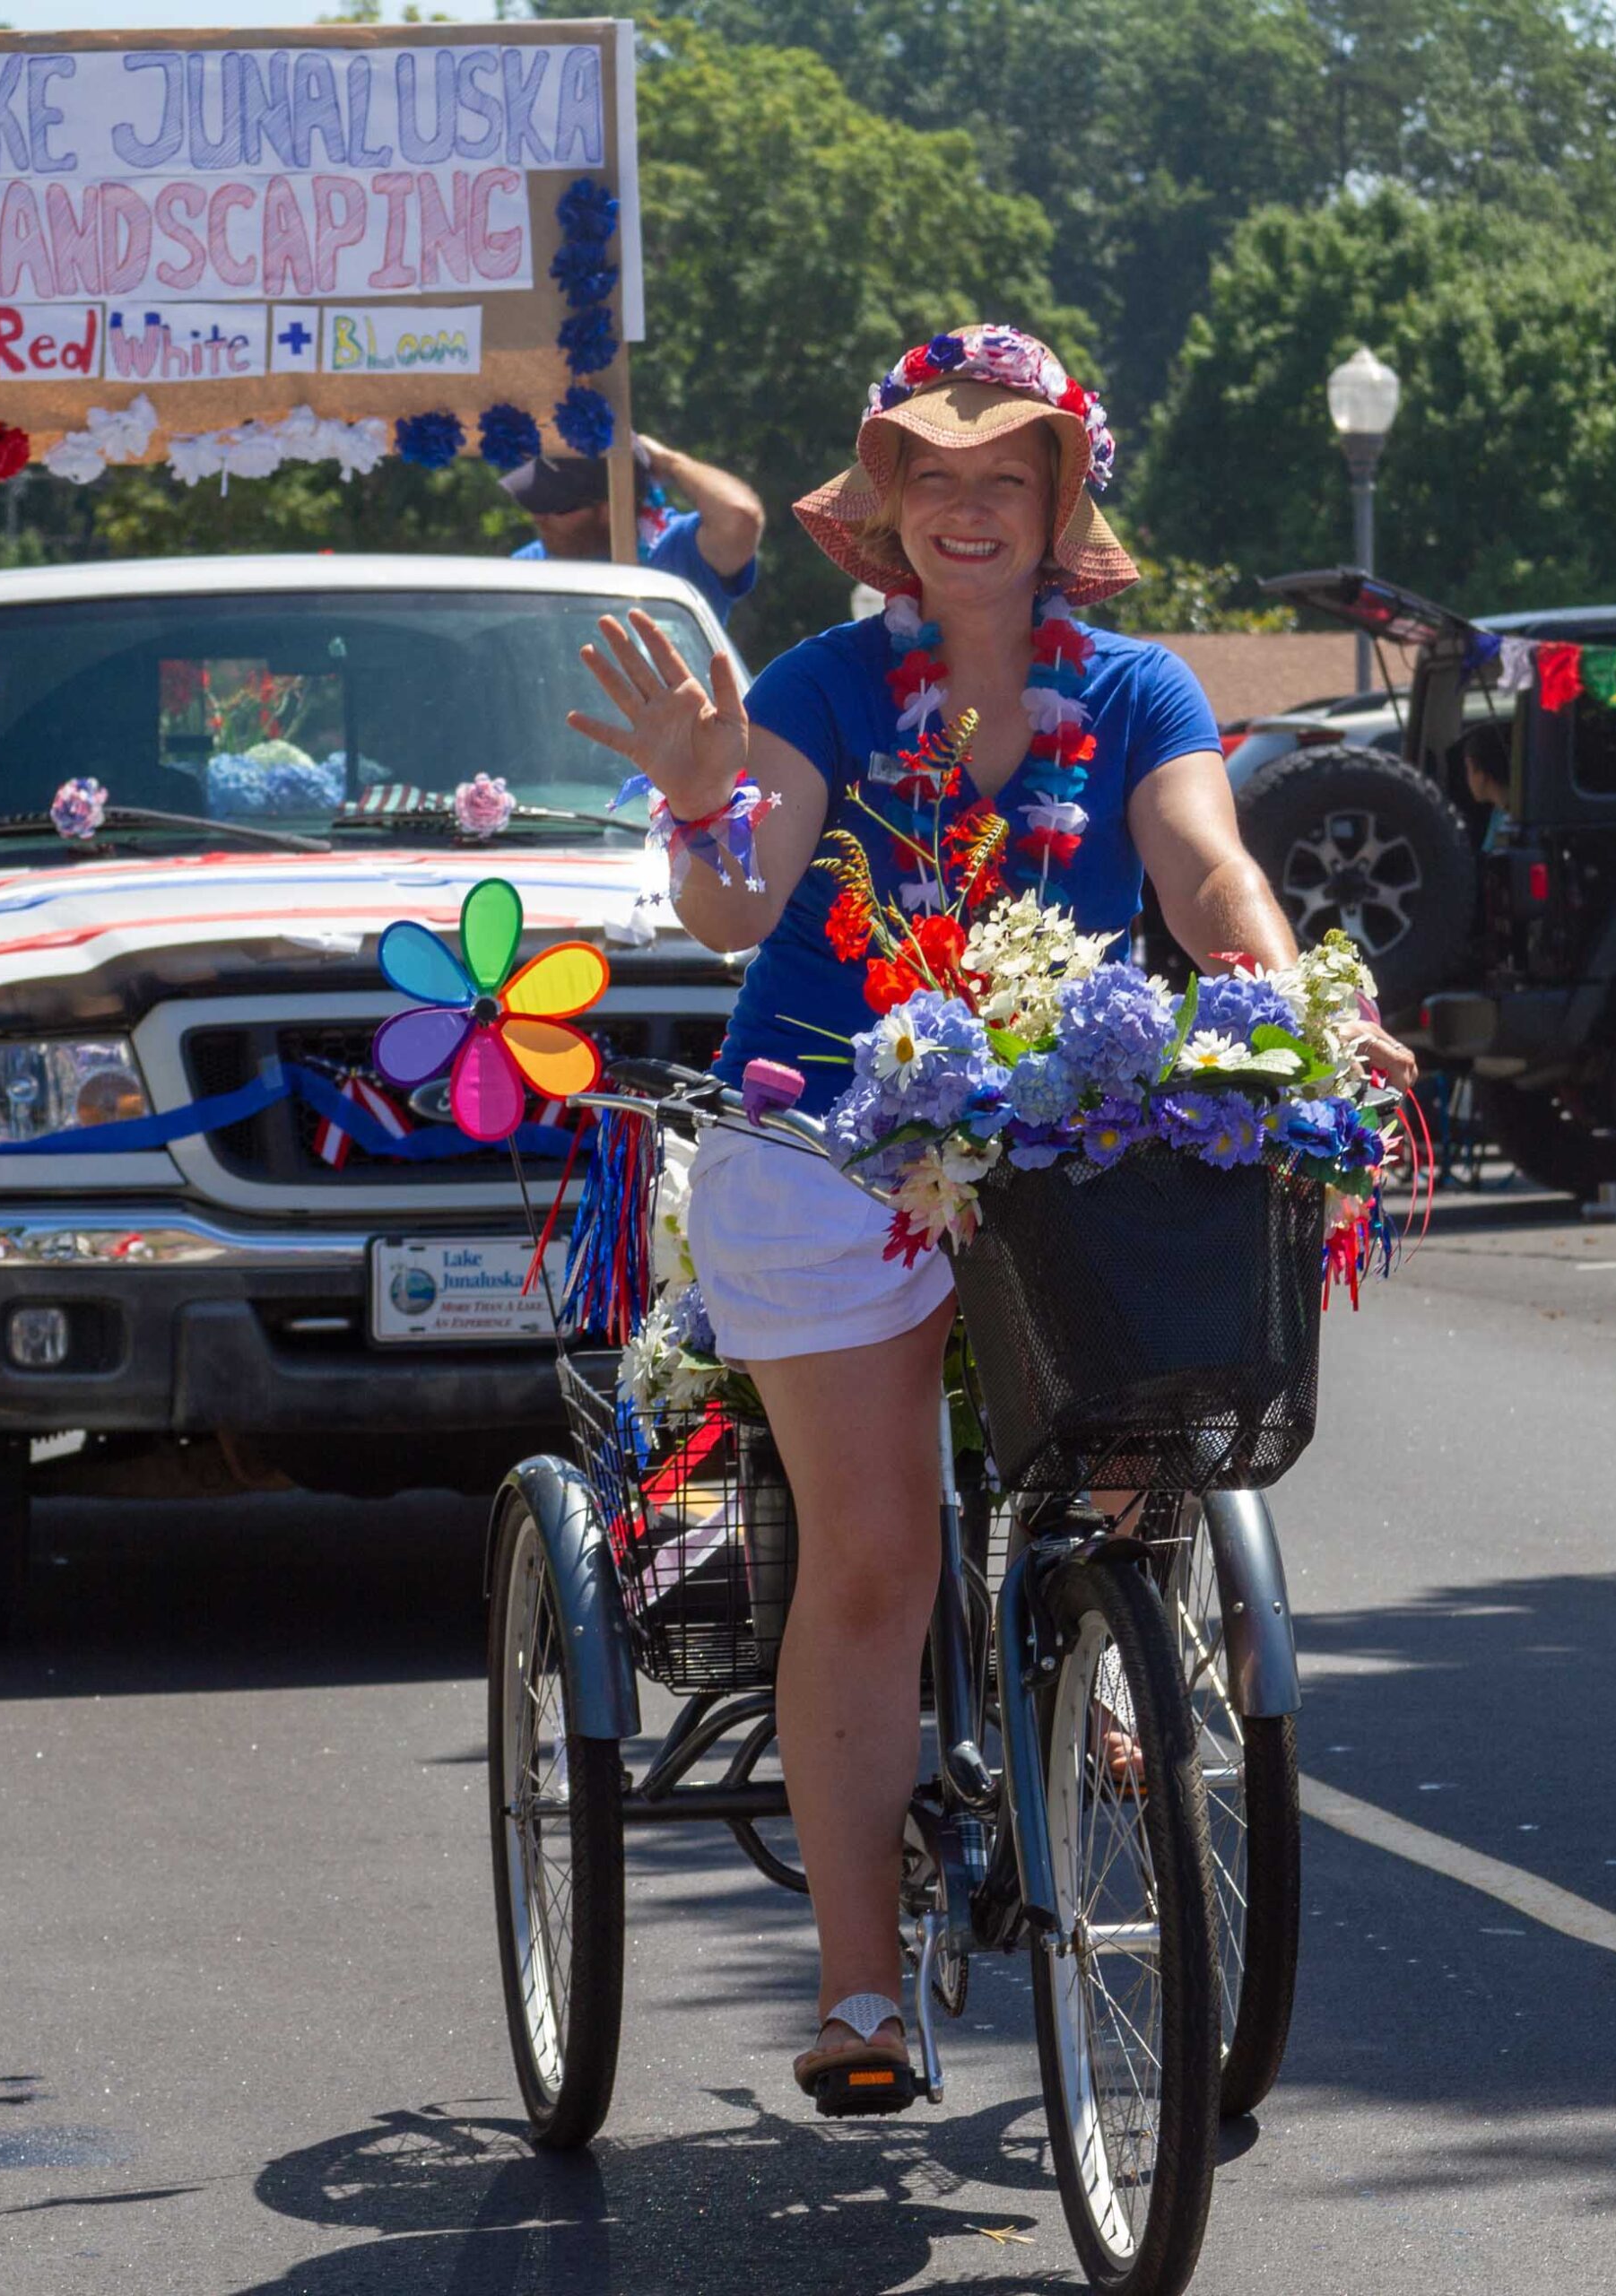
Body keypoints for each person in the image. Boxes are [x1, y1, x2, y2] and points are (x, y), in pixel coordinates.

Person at [568, 325, 1412, 2098]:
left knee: (1143, 1436)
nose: (968, 509)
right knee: (872, 1551)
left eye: (1002, 478)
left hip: (1060, 1139)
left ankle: (1095, 1659)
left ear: (1055, 503)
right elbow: (734, 907)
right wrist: (695, 786)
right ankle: (863, 1988)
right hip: (822, 1147)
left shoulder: (1137, 692)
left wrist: (1294, 997)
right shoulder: (807, 686)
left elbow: (1201, 862)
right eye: (934, 477)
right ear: (892, 504)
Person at [501, 434, 763, 625]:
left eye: (553, 506)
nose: (537, 517)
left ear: (610, 509)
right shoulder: (532, 567)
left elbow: (740, 516)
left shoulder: (680, 551)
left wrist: (672, 462)